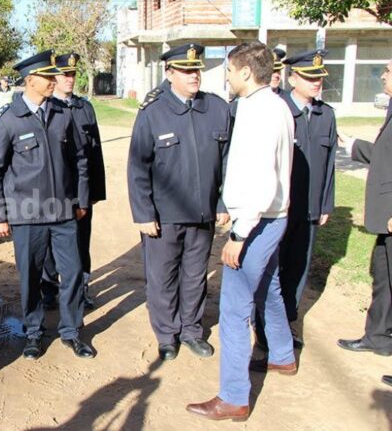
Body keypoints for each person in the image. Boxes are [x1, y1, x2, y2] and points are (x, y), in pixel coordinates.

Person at [186, 41, 295, 422]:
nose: (227, 77)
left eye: (230, 70)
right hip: (269, 218)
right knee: (269, 287)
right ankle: (282, 355)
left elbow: (262, 179)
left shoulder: (262, 112)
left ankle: (233, 397)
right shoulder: (271, 104)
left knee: (234, 311)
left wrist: (239, 235)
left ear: (246, 72)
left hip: (258, 222)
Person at [0, 50, 94, 360]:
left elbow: (81, 160)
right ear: (30, 80)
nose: (54, 81)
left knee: (72, 274)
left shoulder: (63, 114)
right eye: (48, 77)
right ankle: (33, 333)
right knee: (31, 278)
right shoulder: (8, 120)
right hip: (27, 215)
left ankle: (71, 332)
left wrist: (82, 199)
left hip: (63, 214)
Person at [127, 43, 230, 361]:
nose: (193, 75)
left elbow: (227, 161)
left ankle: (191, 330)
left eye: (196, 69)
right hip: (164, 215)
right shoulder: (153, 113)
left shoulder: (216, 108)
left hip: (203, 214)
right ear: (169, 73)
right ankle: (167, 334)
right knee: (163, 277)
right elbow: (138, 168)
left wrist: (223, 203)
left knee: (195, 275)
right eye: (185, 71)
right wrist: (144, 213)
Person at [255, 50, 336, 351]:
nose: (317, 83)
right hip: (278, 208)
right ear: (293, 78)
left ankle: (286, 322)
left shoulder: (326, 114)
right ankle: (263, 325)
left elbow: (328, 167)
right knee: (271, 268)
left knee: (298, 268)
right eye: (310, 78)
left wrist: (326, 203)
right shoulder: (278, 110)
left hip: (310, 208)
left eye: (319, 78)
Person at [40, 52, 106, 311]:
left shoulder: (84, 108)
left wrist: (95, 191)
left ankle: (82, 288)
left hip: (81, 190)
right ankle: (49, 290)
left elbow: (95, 152)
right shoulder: (46, 108)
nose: (70, 79)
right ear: (53, 77)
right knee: (48, 246)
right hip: (53, 190)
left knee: (81, 241)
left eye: (73, 74)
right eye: (64, 74)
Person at [336, 58, 392, 358]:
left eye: (388, 71)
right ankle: (379, 337)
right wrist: (354, 145)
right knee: (383, 277)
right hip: (385, 219)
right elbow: (386, 156)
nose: (383, 76)